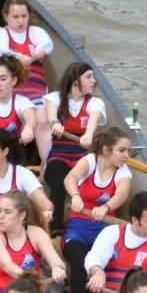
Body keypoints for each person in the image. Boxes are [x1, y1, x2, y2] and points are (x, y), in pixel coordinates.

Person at [61, 127, 133, 293]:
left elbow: (121, 194)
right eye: (122, 150)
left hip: (105, 229)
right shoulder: (90, 161)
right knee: (79, 263)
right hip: (78, 225)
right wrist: (75, 196)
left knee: (107, 265)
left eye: (128, 151)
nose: (127, 155)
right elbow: (70, 178)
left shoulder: (123, 172)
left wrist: (107, 207)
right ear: (107, 150)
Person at [0, 128, 54, 272]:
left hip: (19, 235)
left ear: (5, 151)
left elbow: (44, 202)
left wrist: (46, 211)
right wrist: (15, 223)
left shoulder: (22, 174)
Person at [0, 190, 66, 293]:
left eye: (7, 212)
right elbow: (7, 266)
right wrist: (33, 280)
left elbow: (55, 260)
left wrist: (57, 268)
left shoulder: (36, 233)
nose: (1, 217)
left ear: (22, 215)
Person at [43, 62, 107, 235]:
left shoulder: (95, 103)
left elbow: (93, 120)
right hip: (59, 156)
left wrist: (88, 135)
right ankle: (55, 226)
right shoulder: (55, 98)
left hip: (83, 158)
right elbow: (51, 116)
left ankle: (87, 224)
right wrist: (55, 123)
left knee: (92, 188)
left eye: (93, 77)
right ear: (74, 80)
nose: (94, 81)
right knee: (58, 181)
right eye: (88, 77)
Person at [0, 0, 53, 162]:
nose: (20, 21)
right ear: (6, 17)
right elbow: (3, 51)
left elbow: (48, 45)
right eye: (15, 17)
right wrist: (20, 57)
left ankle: (46, 165)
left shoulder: (36, 33)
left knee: (43, 121)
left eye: (24, 16)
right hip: (9, 91)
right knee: (3, 123)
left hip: (36, 91)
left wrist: (38, 52)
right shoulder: (0, 34)